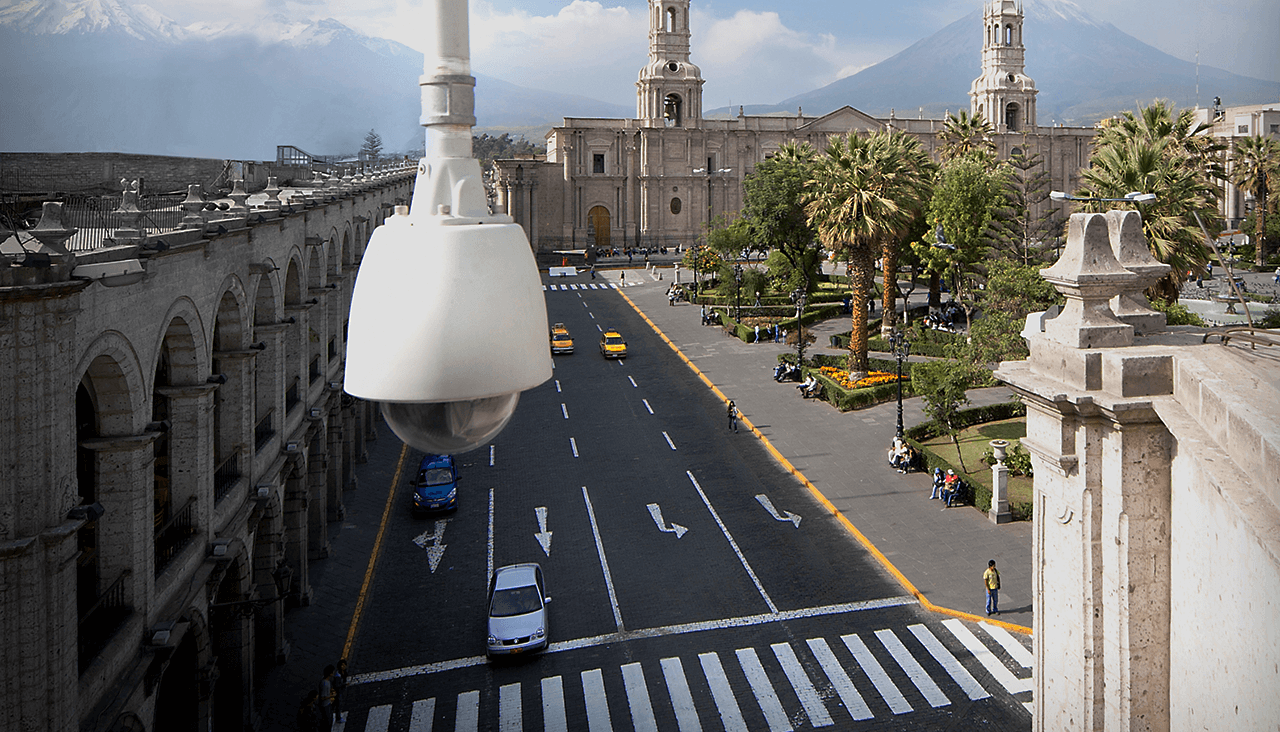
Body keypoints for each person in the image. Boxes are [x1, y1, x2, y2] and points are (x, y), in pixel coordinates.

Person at [318, 665, 336, 730]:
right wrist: (331, 696)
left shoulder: (326, 680)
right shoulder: (325, 684)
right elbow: (322, 697)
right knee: (328, 721)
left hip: (327, 704)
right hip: (325, 705)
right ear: (330, 674)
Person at [332, 659, 348, 723]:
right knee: (338, 705)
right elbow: (337, 685)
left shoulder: (343, 673)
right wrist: (344, 684)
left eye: (344, 665)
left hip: (340, 691)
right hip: (338, 692)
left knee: (336, 704)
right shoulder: (338, 676)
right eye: (342, 665)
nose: (344, 667)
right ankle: (338, 718)